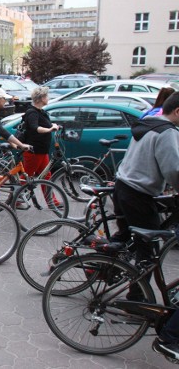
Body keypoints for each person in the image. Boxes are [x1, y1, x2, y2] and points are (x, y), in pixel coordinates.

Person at [104, 92, 179, 360]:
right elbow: (173, 170)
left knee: (127, 238)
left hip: (124, 186)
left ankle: (104, 267)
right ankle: (136, 302)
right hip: (138, 193)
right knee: (149, 249)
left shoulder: (148, 123)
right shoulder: (167, 132)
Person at [22, 86, 59, 178]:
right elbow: (36, 128)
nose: (48, 98)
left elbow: (45, 124)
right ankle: (17, 192)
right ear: (42, 98)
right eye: (47, 96)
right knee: (27, 176)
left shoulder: (40, 111)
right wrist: (50, 129)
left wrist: (53, 125)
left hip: (42, 150)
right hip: (34, 151)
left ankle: (49, 193)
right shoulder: (32, 113)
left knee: (46, 176)